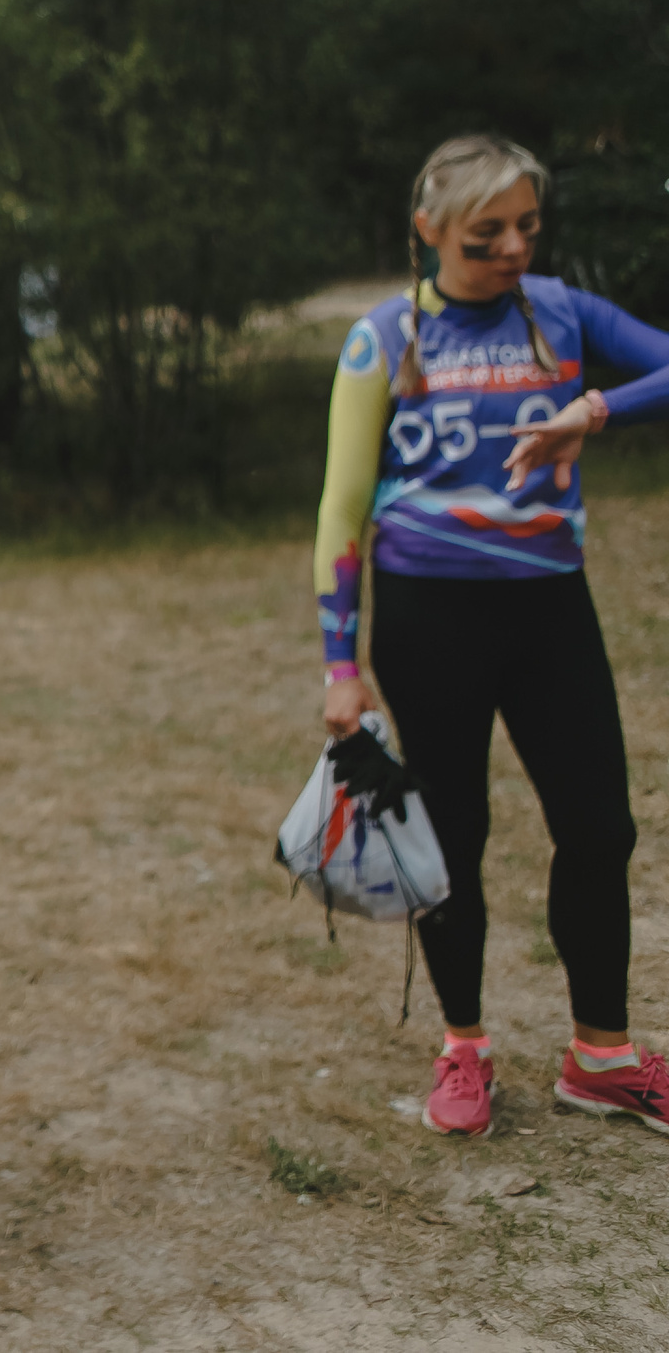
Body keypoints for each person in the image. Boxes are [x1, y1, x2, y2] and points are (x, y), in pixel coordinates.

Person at [316, 135, 669, 1142]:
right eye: (486, 234)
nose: (512, 247)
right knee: (452, 841)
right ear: (428, 232)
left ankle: (599, 1056)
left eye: (526, 225)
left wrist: (592, 409)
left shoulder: (562, 311)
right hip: (428, 617)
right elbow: (341, 510)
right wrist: (340, 663)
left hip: (549, 605)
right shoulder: (378, 337)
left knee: (600, 828)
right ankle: (462, 1047)